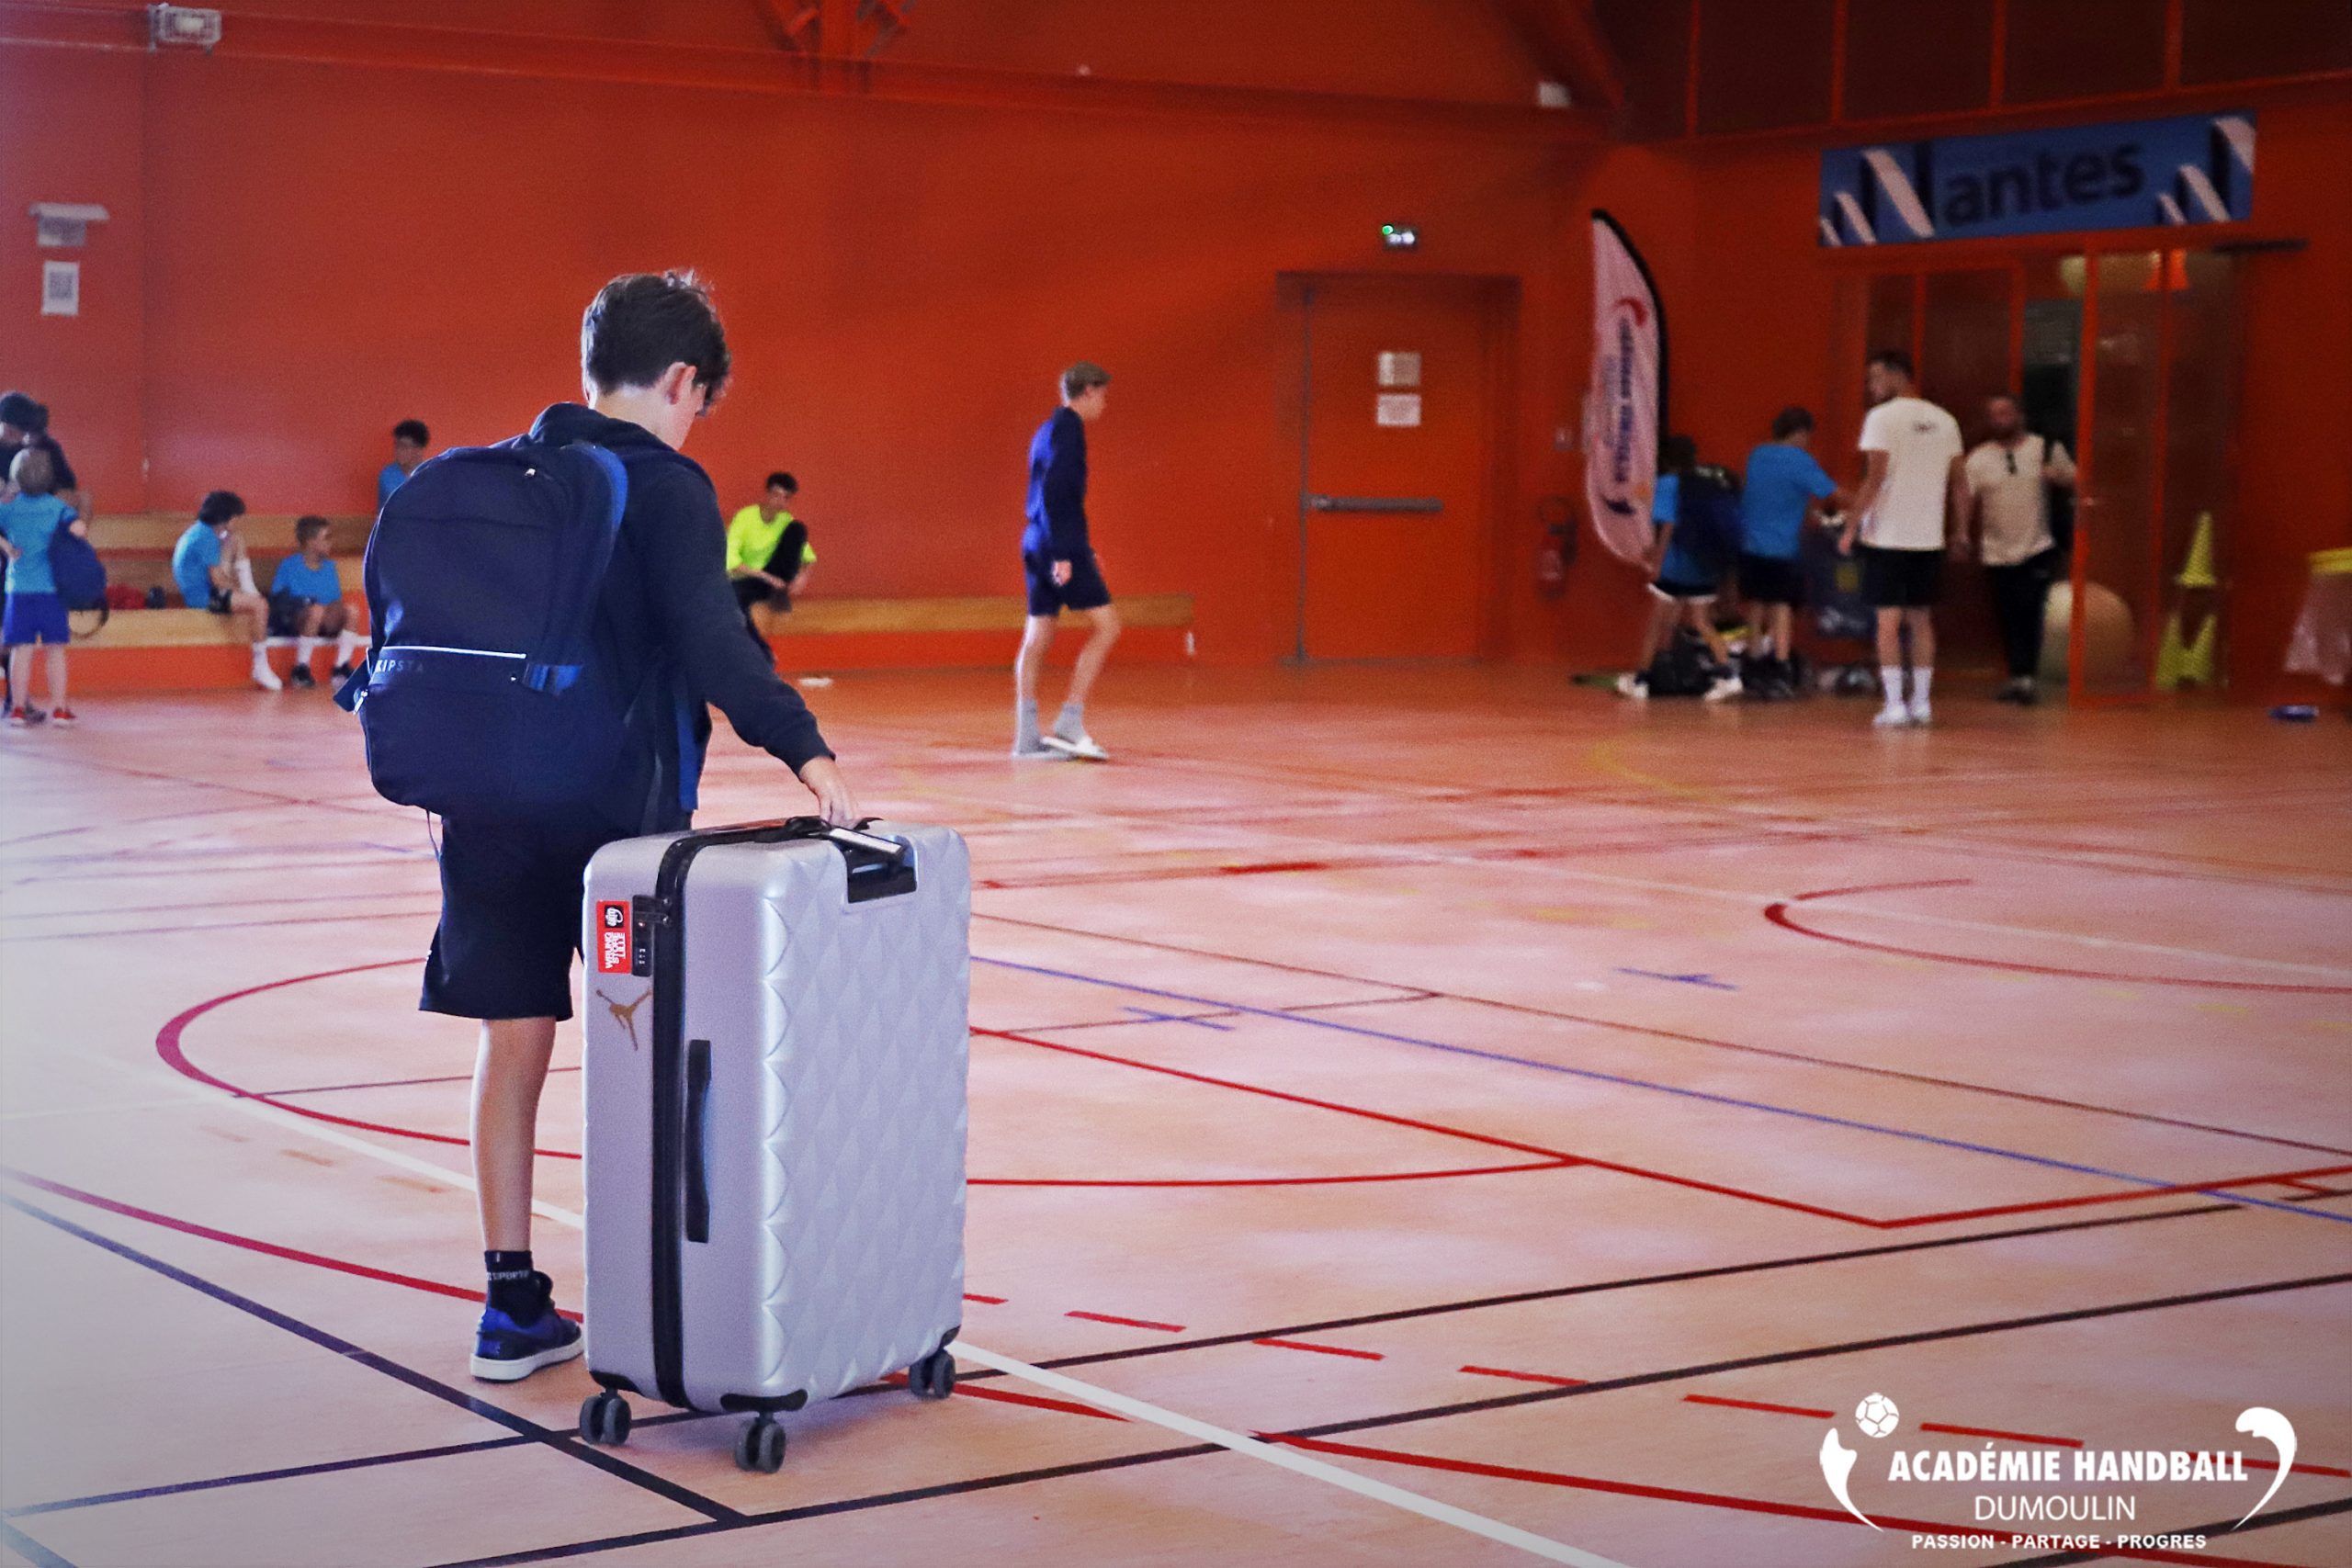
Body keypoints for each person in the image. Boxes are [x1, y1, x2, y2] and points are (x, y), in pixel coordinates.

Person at [421, 270, 858, 1382]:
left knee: (512, 1038)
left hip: (484, 805)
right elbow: (716, 647)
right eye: (700, 401)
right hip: (618, 825)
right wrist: (808, 752)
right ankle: (657, 1299)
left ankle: (509, 1302)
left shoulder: (500, 474)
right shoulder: (667, 485)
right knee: (647, 1040)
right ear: (682, 380)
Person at [1841, 351, 1965, 728]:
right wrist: (1960, 530)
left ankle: (1895, 703)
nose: (1871, 386)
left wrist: (1851, 525)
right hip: (1928, 538)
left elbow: (1875, 477)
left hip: (1888, 537)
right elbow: (1960, 483)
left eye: (1876, 377)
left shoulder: (1881, 418)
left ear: (1898, 375)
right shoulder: (1945, 420)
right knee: (1921, 620)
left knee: (1888, 623)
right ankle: (1922, 703)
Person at [1015, 362, 1120, 759]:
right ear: (1088, 390)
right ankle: (1070, 721)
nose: (1104, 404)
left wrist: (1078, 546)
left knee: (1038, 634)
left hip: (1036, 540)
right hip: (1056, 545)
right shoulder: (1069, 431)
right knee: (1108, 626)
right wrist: (1065, 552)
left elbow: (1050, 496)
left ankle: (1026, 737)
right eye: (1103, 395)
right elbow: (1058, 493)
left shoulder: (1046, 429)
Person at [1962, 393, 2075, 705]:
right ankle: (2016, 675)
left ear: (2020, 415)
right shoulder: (1979, 458)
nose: (2000, 419)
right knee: (2007, 615)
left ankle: (2027, 677)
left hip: (2037, 545)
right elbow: (1965, 497)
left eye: (2006, 412)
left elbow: (2077, 478)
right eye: (1994, 414)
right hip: (1996, 551)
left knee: (2031, 611)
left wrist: (2057, 476)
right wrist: (1961, 533)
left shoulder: (2043, 448)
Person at [1616, 434, 1741, 703]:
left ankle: (1640, 681)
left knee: (1656, 623)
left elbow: (1668, 526)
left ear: (1666, 460)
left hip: (1676, 566)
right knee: (1702, 622)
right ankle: (1729, 676)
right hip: (1704, 564)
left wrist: (1657, 562)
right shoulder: (1705, 485)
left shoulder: (1668, 484)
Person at [1737, 406, 1846, 698]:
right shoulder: (1800, 460)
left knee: (1756, 604)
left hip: (1750, 544)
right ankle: (1781, 664)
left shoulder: (1757, 455)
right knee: (1782, 605)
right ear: (1800, 433)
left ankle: (1753, 662)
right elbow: (1831, 493)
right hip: (1782, 547)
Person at [0, 447, 88, 728]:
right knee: (55, 651)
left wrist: (7, 547)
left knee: (21, 651)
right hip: (51, 591)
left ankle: (17, 708)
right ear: (50, 479)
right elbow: (79, 529)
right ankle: (60, 708)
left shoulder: (9, 509)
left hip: (18, 590)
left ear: (16, 479)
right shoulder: (57, 507)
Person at [171, 490, 280, 691]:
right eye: (236, 517)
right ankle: (260, 666)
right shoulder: (206, 538)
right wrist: (244, 596)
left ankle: (249, 589)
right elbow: (218, 581)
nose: (238, 521)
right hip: (203, 596)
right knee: (260, 605)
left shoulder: (202, 531)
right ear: (226, 517)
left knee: (235, 539)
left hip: (205, 589)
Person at [267, 515, 362, 690]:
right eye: (326, 538)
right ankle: (301, 668)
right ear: (311, 542)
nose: (330, 542)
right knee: (316, 611)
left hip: (324, 618)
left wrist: (332, 611)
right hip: (296, 619)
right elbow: (278, 600)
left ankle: (341, 667)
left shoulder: (330, 567)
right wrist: (306, 605)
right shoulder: (289, 566)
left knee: (352, 610)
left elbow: (335, 600)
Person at [726, 470, 816, 627]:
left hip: (774, 580)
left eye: (786, 498)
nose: (779, 502)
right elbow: (731, 561)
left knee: (797, 528)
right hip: (746, 576)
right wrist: (767, 577)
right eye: (776, 495)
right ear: (767, 494)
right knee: (735, 601)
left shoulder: (785, 520)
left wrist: (802, 577)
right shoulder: (745, 517)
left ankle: (779, 595)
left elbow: (809, 557)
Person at [0, 390, 89, 519]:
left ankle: (75, 532)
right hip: (6, 507)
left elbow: (68, 484)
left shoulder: (44, 445)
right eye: (10, 431)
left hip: (39, 503)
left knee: (84, 498)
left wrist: (41, 493)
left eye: (21, 432)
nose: (17, 437)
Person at [379, 419, 430, 507]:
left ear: (419, 450)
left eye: (403, 446)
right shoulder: (388, 476)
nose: (398, 450)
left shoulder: (431, 474)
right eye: (396, 445)